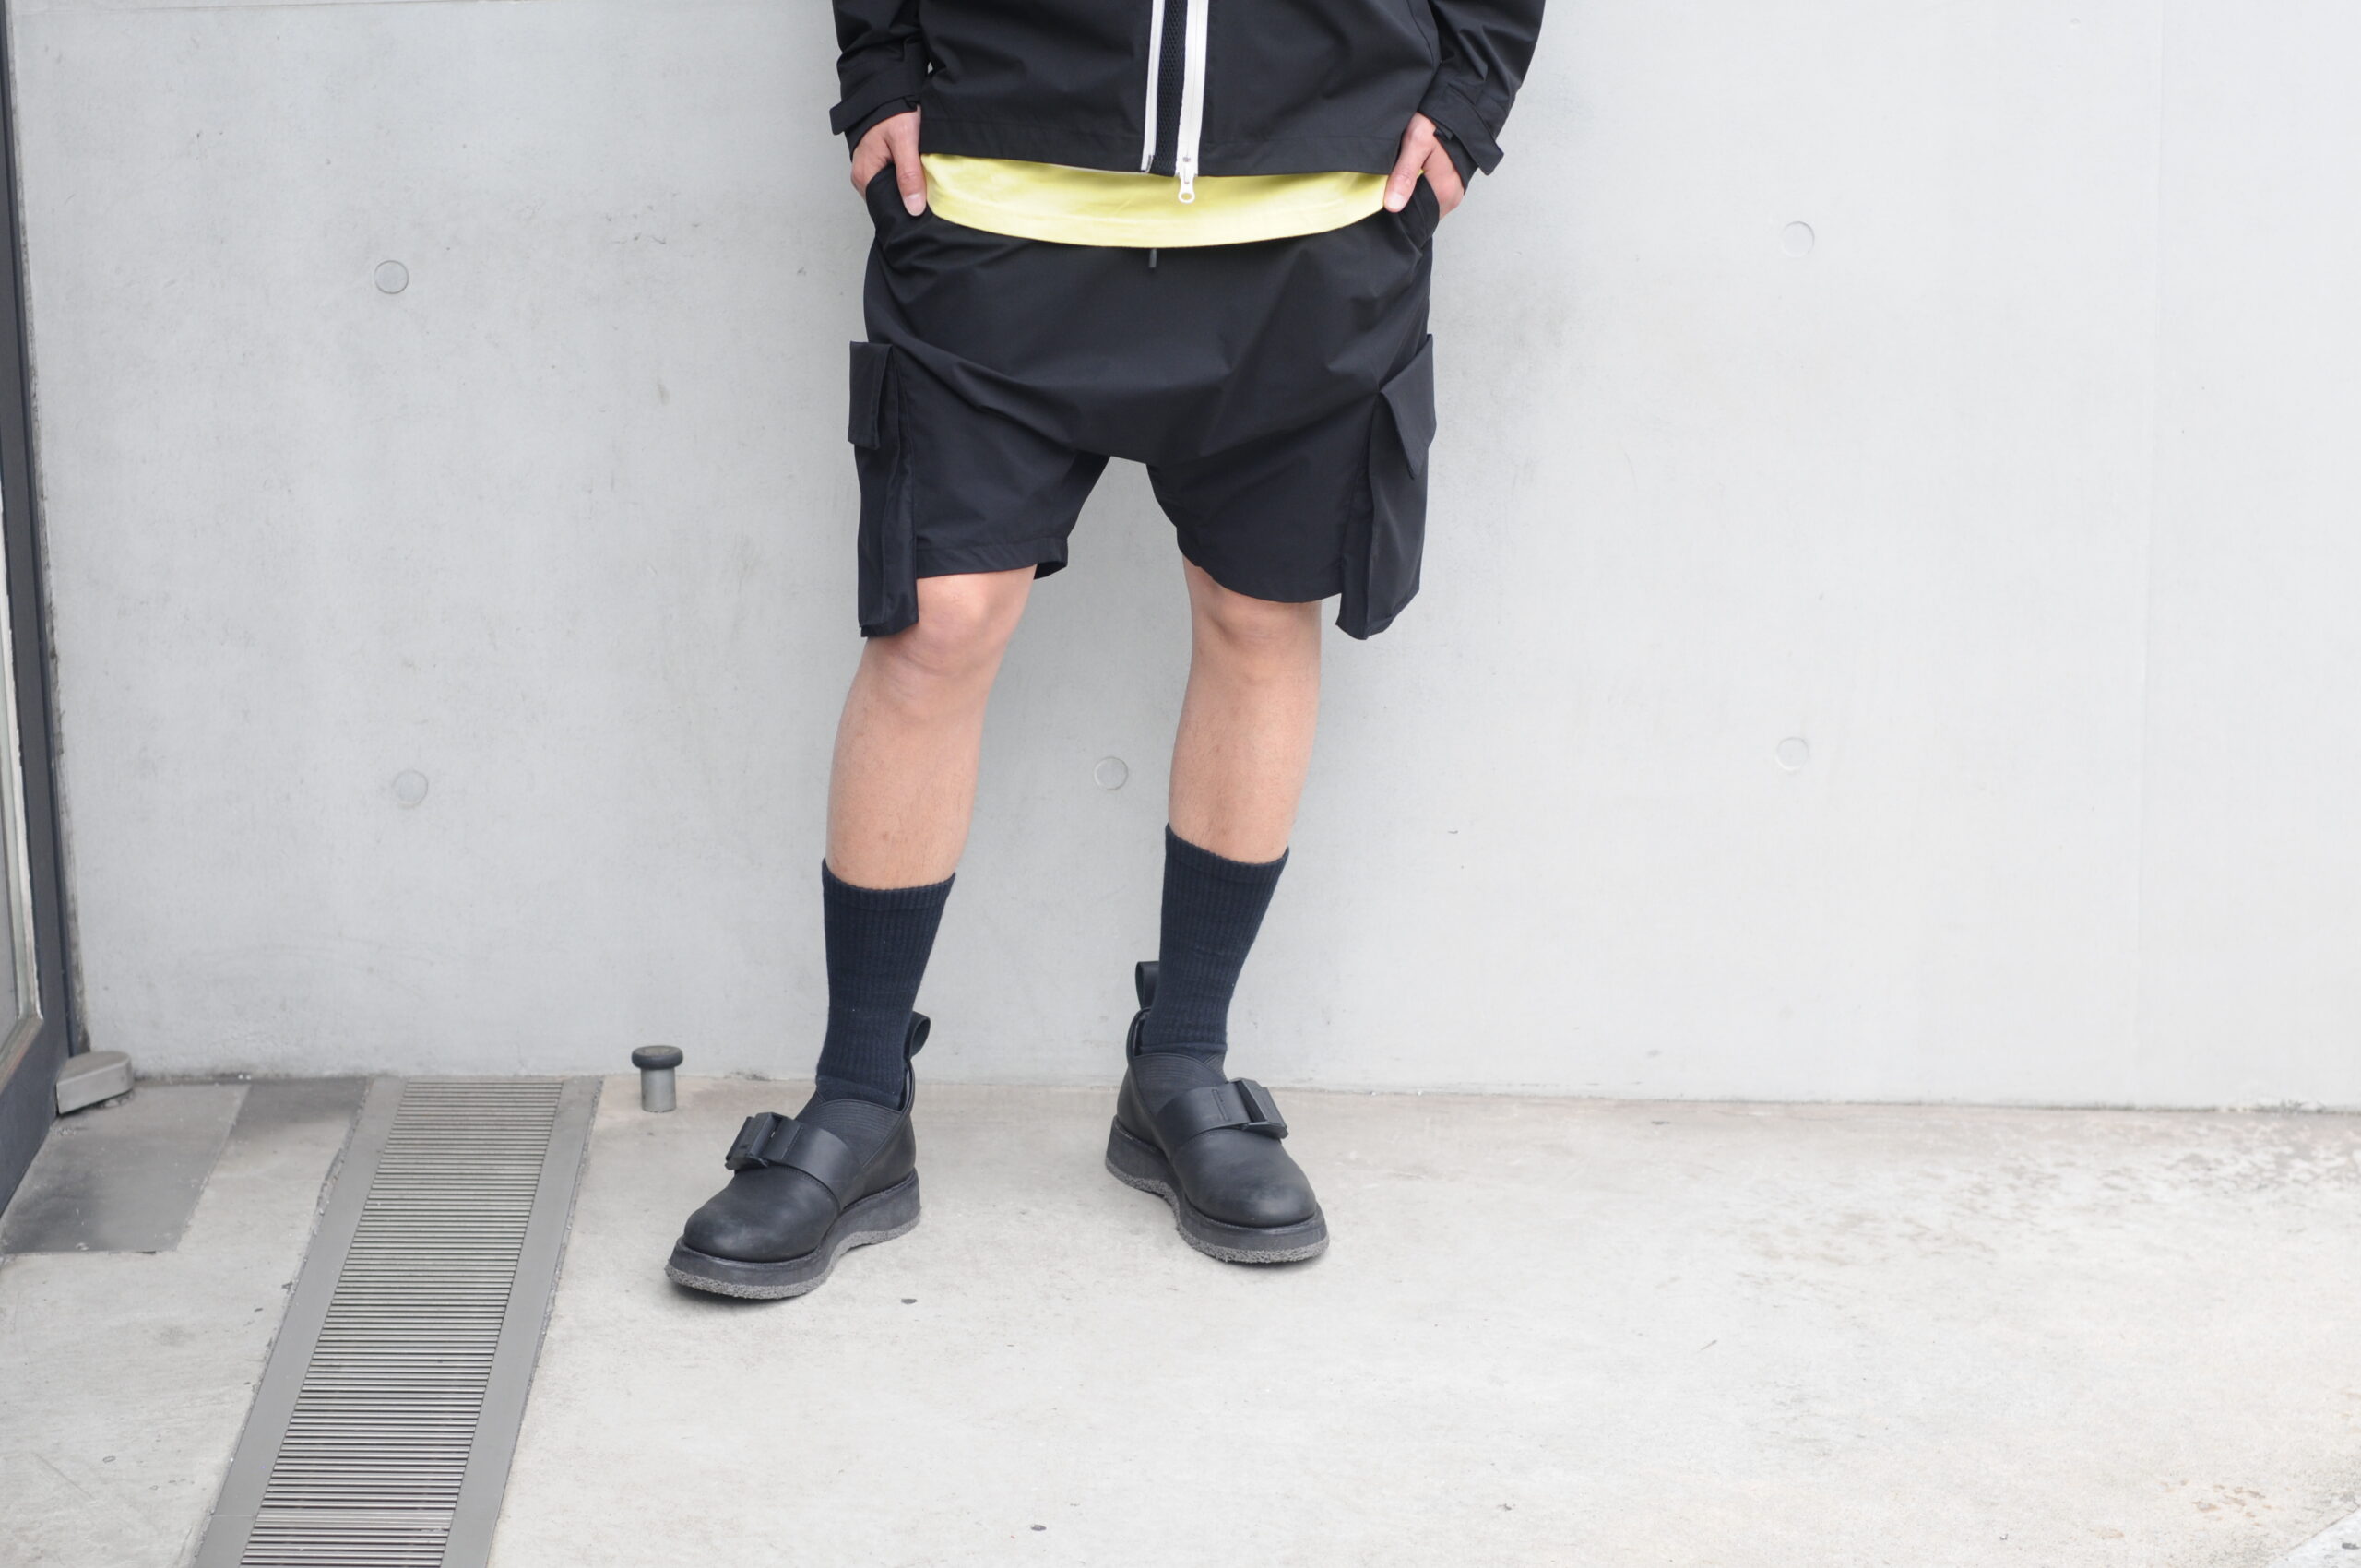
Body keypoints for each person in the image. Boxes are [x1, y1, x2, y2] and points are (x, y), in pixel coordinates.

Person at [667, 0, 1547, 1298]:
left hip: (1314, 206)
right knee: (936, 625)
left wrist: (1465, 101)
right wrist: (881, 67)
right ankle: (858, 1099)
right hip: (1000, 195)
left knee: (1257, 616)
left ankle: (1182, 1064)